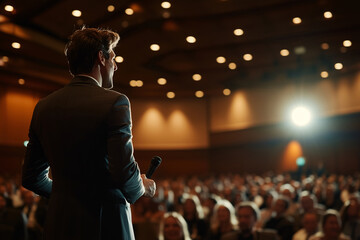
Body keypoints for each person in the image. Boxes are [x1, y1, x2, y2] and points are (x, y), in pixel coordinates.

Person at [22, 27, 156, 240]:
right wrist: (143, 187)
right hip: (106, 225)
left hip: (58, 225)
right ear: (101, 58)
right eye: (113, 56)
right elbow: (123, 173)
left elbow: (31, 178)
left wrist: (64, 195)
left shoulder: (43, 107)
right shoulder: (115, 102)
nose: (116, 64)